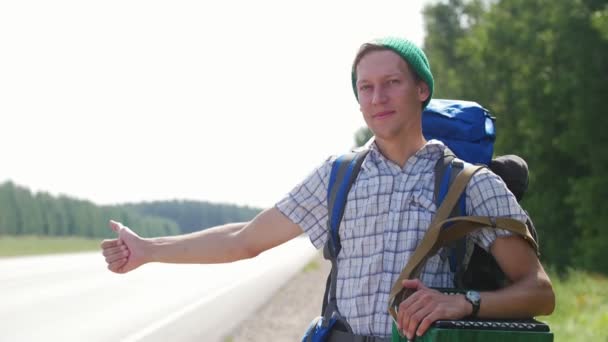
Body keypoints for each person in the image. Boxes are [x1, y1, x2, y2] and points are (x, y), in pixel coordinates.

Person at [101, 37, 555, 340]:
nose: (378, 98)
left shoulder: (471, 184)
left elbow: (538, 292)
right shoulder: (338, 176)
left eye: (392, 83)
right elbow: (243, 240)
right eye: (366, 87)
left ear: (421, 89)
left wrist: (463, 303)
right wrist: (148, 250)